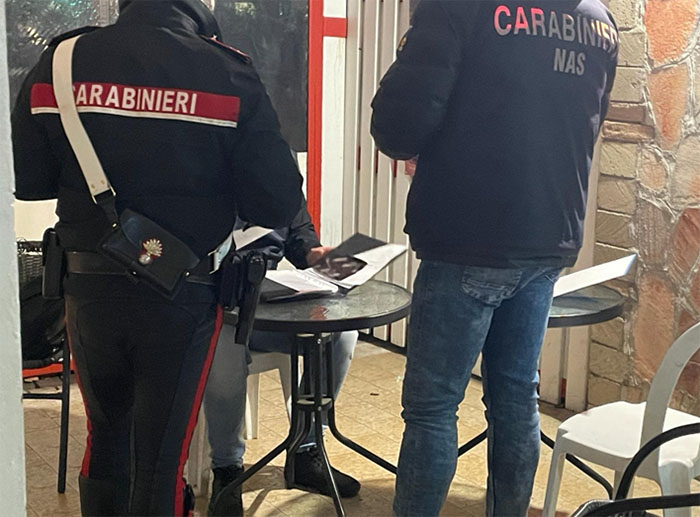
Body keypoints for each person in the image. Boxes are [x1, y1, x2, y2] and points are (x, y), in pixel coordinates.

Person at [11, 0, 303, 514]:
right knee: (162, 459)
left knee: (105, 438)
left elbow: (28, 180)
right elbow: (276, 203)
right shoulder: (228, 72)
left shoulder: (61, 61)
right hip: (184, 291)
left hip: (89, 284)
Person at [371, 1, 618, 515]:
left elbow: (398, 125)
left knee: (433, 408)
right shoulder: (599, 20)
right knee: (515, 397)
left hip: (469, 233)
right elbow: (587, 123)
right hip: (550, 233)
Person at [204, 198, 360, 516]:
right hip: (217, 306)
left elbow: (302, 240)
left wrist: (318, 255)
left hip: (268, 305)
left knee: (343, 333)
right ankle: (227, 469)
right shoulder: (209, 178)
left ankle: (305, 449)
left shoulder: (281, 181)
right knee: (225, 355)